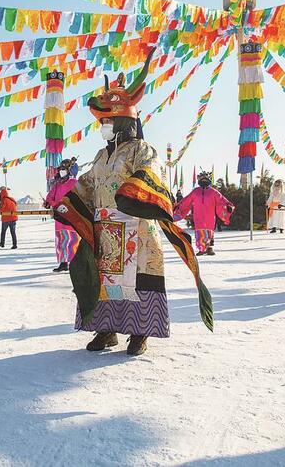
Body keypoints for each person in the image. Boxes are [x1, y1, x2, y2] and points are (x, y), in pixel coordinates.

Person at [50, 48, 213, 356]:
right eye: (102, 122)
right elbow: (88, 182)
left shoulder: (142, 148)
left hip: (136, 226)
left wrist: (132, 191)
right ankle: (107, 329)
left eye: (108, 121)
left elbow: (152, 171)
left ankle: (140, 333)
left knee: (139, 280)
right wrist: (67, 204)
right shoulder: (101, 155)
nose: (103, 127)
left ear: (123, 122)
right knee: (106, 279)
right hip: (106, 229)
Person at [174, 171, 235, 256]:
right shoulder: (195, 192)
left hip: (210, 217)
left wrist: (228, 206)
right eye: (202, 179)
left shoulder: (214, 192)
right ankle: (201, 249)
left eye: (205, 179)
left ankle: (209, 248)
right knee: (200, 233)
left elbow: (221, 200)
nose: (204, 181)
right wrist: (178, 207)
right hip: (198, 217)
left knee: (209, 232)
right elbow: (186, 201)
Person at [45, 157, 80, 272]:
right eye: (61, 169)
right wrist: (48, 202)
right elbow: (50, 196)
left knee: (72, 239)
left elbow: (79, 198)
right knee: (61, 240)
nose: (62, 172)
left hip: (71, 216)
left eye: (64, 169)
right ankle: (63, 262)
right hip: (59, 217)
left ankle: (74, 263)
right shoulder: (58, 184)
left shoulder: (74, 183)